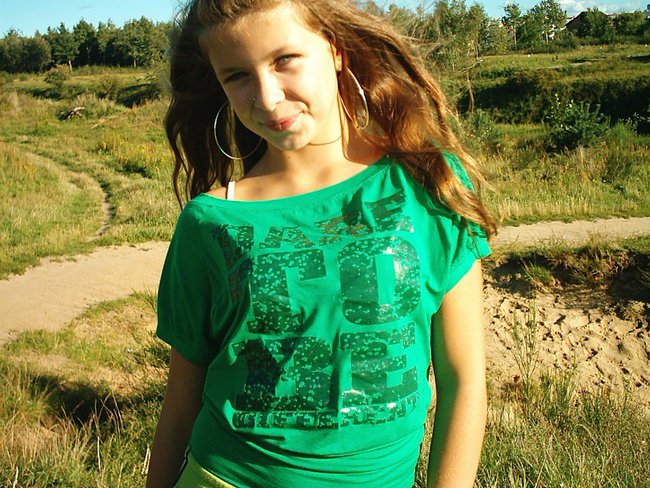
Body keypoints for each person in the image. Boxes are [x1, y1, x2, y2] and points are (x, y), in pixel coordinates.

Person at [147, 0, 497, 487]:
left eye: (284, 60)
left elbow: (463, 381)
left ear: (335, 49)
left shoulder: (428, 184)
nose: (267, 97)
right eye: (237, 76)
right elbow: (180, 406)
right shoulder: (209, 222)